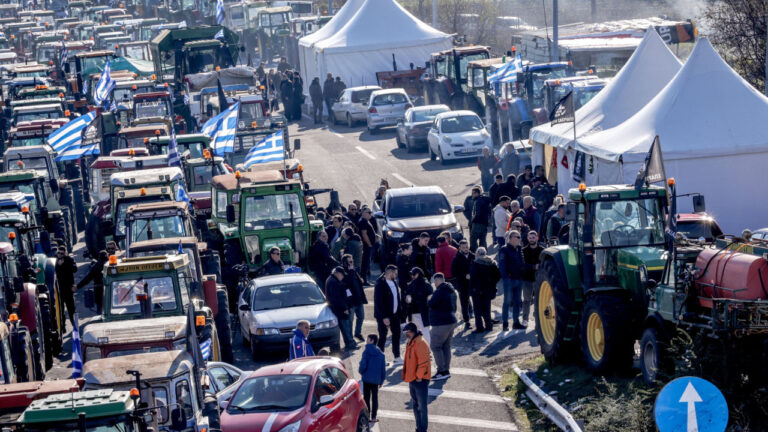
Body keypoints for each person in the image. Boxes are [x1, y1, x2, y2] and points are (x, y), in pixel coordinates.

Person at [402, 322, 430, 432]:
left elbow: (423, 363)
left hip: (420, 380)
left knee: (422, 406)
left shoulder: (420, 343)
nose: (405, 334)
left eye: (407, 332)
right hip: (413, 378)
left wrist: (419, 377)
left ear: (412, 332)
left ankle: (422, 429)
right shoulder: (411, 341)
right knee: (416, 405)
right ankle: (419, 427)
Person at [428, 273, 457, 380]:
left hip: (441, 323)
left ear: (437, 281)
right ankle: (446, 370)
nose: (434, 284)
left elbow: (431, 303)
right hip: (451, 321)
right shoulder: (451, 290)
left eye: (434, 282)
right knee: (446, 346)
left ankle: (442, 371)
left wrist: (429, 298)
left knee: (436, 346)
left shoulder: (440, 291)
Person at [374, 265, 403, 364]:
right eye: (395, 273)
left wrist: (400, 314)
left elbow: (397, 298)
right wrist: (384, 317)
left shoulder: (394, 282)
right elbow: (379, 302)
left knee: (397, 334)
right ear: (390, 273)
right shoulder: (380, 284)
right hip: (384, 316)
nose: (396, 275)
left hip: (395, 315)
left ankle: (397, 357)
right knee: (383, 336)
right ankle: (380, 359)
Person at [499, 230, 527, 331]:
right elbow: (502, 265)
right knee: (507, 302)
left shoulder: (519, 249)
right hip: (509, 280)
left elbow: (522, 262)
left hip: (519, 279)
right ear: (511, 238)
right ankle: (505, 323)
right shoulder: (504, 249)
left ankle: (516, 322)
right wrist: (506, 278)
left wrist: (522, 273)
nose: (519, 239)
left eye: (519, 237)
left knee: (517, 302)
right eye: (517, 237)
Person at [469, 247, 500, 333]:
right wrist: (492, 284)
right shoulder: (492, 263)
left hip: (478, 291)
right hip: (489, 290)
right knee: (487, 308)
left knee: (477, 310)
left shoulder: (476, 264)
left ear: (477, 254)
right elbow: (498, 276)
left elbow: (473, 278)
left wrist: (471, 290)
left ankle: (480, 327)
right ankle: (488, 325)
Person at [359, 334, 386, 425]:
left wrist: (361, 372)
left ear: (372, 340)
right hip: (376, 380)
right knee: (375, 398)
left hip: (366, 379)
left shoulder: (366, 352)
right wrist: (381, 381)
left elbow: (363, 365)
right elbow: (383, 370)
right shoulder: (381, 354)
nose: (366, 341)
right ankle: (374, 417)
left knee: (366, 398)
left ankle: (367, 417)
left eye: (368, 339)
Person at [326, 267, 355, 350]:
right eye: (342, 275)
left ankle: (350, 343)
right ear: (337, 273)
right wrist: (344, 308)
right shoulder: (333, 282)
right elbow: (337, 298)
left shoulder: (331, 280)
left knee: (345, 326)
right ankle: (350, 344)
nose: (343, 277)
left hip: (337, 308)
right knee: (345, 326)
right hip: (339, 309)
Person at [342, 254, 367, 340]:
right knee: (350, 320)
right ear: (345, 263)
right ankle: (350, 338)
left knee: (361, 317)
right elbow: (348, 283)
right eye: (349, 262)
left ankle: (357, 333)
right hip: (351, 301)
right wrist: (351, 272)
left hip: (359, 299)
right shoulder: (343, 272)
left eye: (352, 261)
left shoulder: (354, 270)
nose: (351, 263)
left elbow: (360, 282)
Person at [404, 267, 432, 344]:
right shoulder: (426, 284)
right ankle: (425, 349)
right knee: (424, 332)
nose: (412, 276)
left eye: (413, 274)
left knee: (420, 333)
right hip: (420, 313)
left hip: (419, 313)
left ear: (418, 274)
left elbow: (430, 299)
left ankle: (425, 350)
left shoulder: (421, 285)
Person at [451, 240, 474, 330]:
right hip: (462, 284)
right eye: (463, 247)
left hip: (473, 283)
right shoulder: (456, 259)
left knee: (478, 302)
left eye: (466, 247)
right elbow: (453, 272)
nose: (465, 249)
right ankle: (467, 321)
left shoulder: (473, 256)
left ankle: (482, 320)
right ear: (460, 248)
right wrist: (464, 275)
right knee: (464, 303)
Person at [522, 231, 543, 324]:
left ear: (537, 238)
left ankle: (537, 318)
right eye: (530, 238)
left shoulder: (542, 250)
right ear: (527, 238)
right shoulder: (523, 250)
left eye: (533, 237)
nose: (531, 239)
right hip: (527, 279)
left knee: (538, 300)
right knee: (527, 300)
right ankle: (525, 319)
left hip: (539, 279)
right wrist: (534, 266)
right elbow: (522, 265)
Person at [55, 246, 78, 324]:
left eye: (62, 253)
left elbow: (75, 269)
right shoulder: (54, 260)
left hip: (68, 289)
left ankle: (75, 326)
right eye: (58, 253)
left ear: (65, 253)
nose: (60, 255)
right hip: (58, 289)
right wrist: (58, 265)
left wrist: (64, 264)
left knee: (72, 309)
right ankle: (62, 326)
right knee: (60, 310)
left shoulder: (69, 260)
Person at [468, 187, 491, 251]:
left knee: (473, 239)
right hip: (484, 223)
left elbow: (477, 213)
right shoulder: (484, 200)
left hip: (478, 223)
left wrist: (473, 221)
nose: (472, 195)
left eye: (473, 193)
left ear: (477, 193)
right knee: (482, 240)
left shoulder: (478, 201)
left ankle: (474, 253)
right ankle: (483, 253)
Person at [358, 208, 376, 283]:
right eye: (369, 212)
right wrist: (369, 244)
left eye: (371, 212)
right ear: (363, 213)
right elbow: (364, 234)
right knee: (365, 263)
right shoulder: (363, 221)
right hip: (366, 246)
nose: (370, 214)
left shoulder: (366, 221)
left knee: (367, 263)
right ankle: (364, 280)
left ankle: (364, 279)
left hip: (367, 246)